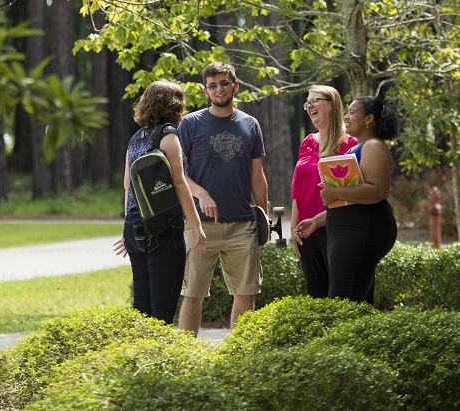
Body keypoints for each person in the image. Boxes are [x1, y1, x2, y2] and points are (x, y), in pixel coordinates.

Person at [176, 61, 269, 337]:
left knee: (246, 293)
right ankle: (185, 356)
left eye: (224, 83)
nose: (219, 90)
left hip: (242, 224)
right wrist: (202, 193)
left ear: (235, 86)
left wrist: (262, 220)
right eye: (213, 85)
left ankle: (240, 358)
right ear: (206, 91)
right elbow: (177, 174)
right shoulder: (190, 124)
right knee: (192, 294)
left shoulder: (250, 124)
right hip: (200, 226)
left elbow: (257, 176)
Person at [113, 80, 207, 325]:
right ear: (175, 106)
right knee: (162, 312)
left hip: (135, 226)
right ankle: (160, 360)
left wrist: (128, 228)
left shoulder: (135, 139)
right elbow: (179, 183)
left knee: (141, 310)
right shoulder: (167, 135)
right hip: (164, 228)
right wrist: (197, 225)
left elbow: (127, 185)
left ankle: (137, 357)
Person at [295, 96, 398, 304]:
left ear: (369, 119)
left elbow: (377, 191)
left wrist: (336, 193)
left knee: (344, 299)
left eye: (352, 112)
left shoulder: (373, 146)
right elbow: (351, 201)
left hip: (363, 229)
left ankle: (344, 336)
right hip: (350, 227)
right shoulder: (356, 149)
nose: (346, 117)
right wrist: (317, 221)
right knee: (355, 298)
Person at [291, 85, 357, 297]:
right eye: (307, 102)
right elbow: (297, 189)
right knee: (315, 295)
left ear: (332, 105)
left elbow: (352, 195)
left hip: (336, 228)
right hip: (306, 230)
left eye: (315, 100)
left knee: (340, 295)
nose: (309, 106)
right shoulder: (308, 141)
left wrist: (318, 221)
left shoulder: (351, 144)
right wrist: (293, 228)